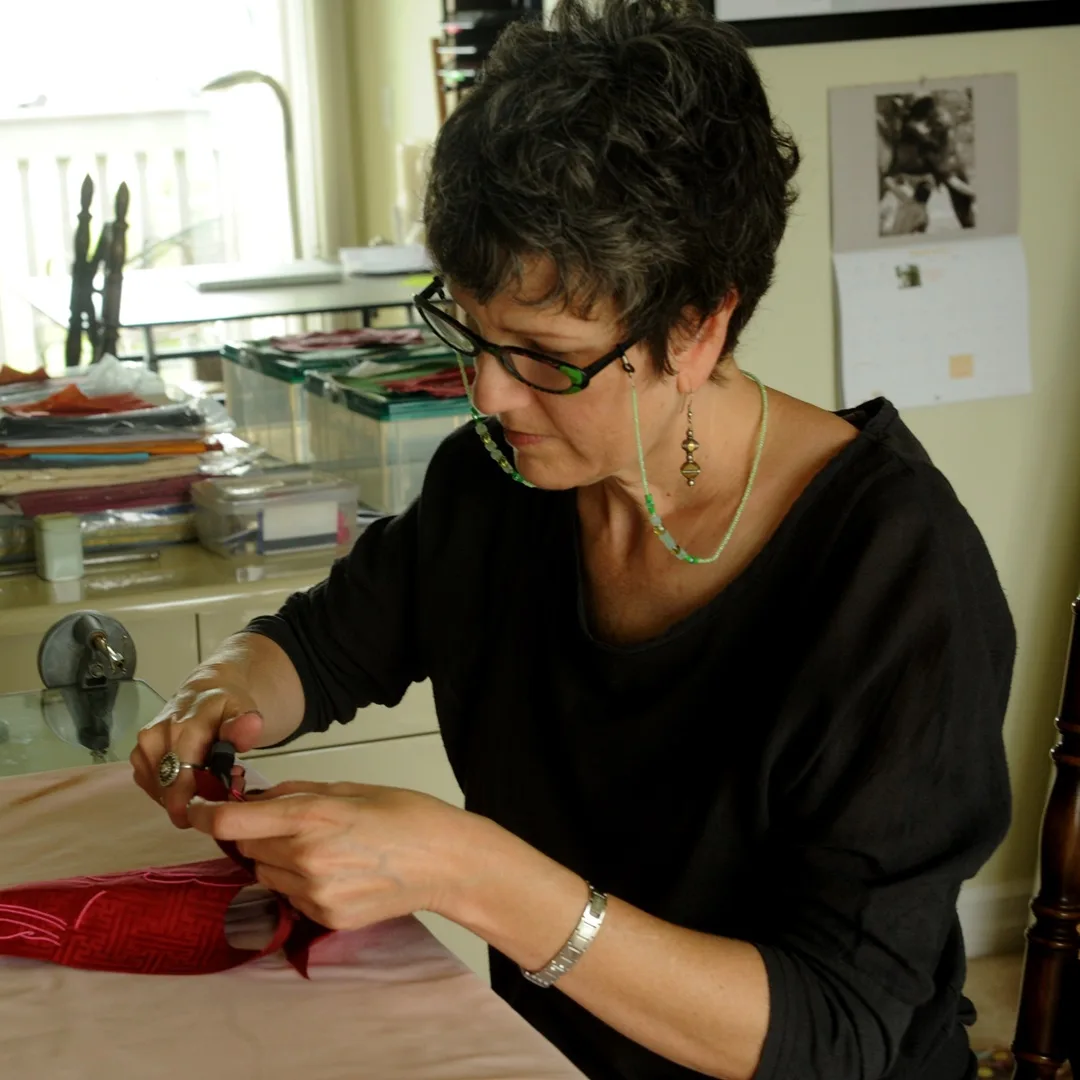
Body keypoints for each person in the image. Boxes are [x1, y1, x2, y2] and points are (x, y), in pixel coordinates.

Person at [132, 3, 1014, 1078]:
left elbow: (836, 1031)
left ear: (700, 329)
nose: (491, 393)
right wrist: (223, 694)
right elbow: (321, 648)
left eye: (547, 354)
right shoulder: (497, 482)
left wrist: (466, 870)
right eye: (470, 330)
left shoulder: (900, 580)